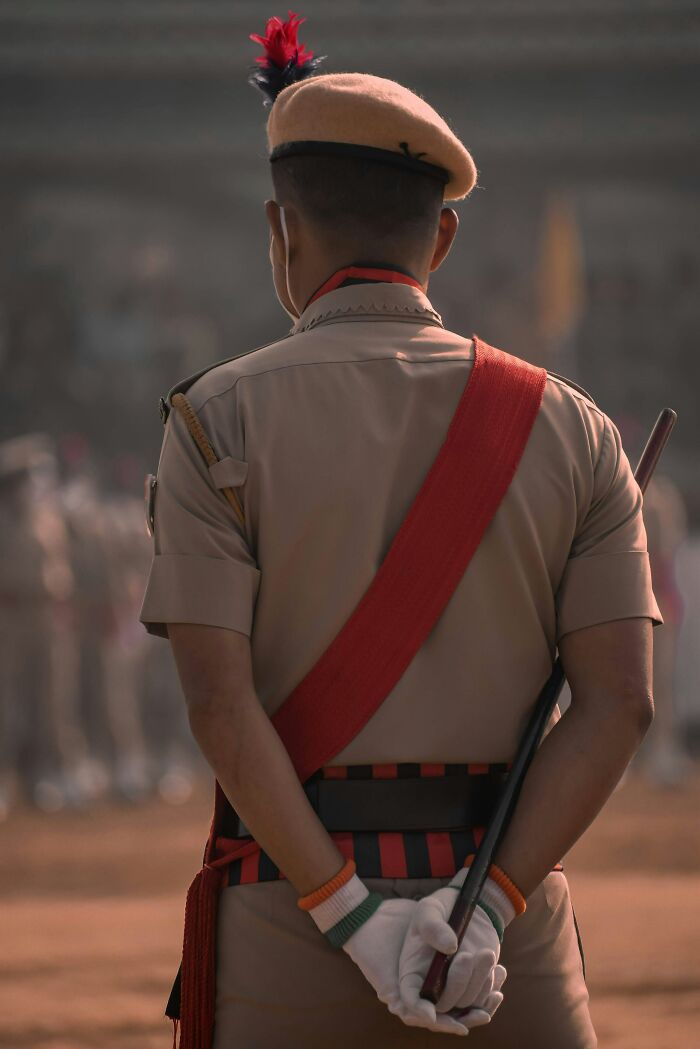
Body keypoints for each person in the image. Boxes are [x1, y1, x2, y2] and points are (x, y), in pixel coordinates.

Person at [139, 12, 662, 1048]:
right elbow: (620, 701)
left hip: (288, 930)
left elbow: (219, 703)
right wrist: (487, 908)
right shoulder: (574, 427)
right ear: (443, 236)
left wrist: (352, 917)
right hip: (497, 959)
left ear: (281, 230)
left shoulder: (212, 420)